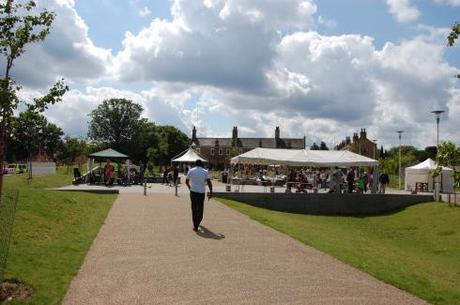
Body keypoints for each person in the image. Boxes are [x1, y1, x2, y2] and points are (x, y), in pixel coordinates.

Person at [186, 159, 213, 232]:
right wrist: (211, 191)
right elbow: (209, 182)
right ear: (201, 164)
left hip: (193, 191)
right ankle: (198, 222)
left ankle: (195, 225)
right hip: (201, 192)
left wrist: (189, 187)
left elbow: (186, 181)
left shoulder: (191, 170)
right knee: (200, 208)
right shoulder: (205, 172)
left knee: (194, 208)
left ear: (195, 164)